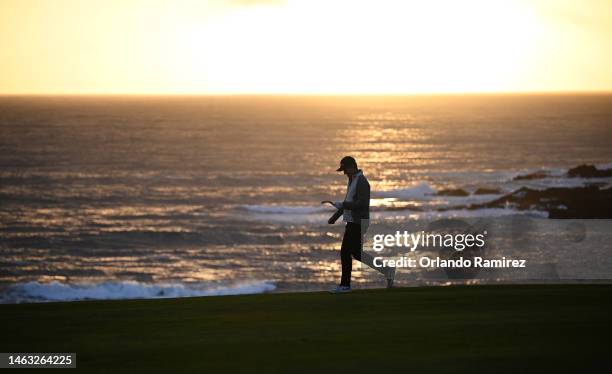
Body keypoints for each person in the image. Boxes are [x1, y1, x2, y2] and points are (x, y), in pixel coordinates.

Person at [328, 156, 395, 293]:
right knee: (357, 254)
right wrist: (335, 217)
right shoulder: (352, 180)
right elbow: (348, 202)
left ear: (353, 166)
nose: (344, 173)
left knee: (345, 252)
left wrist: (344, 205)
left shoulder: (362, 182)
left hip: (359, 222)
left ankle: (345, 285)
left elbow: (362, 204)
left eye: (345, 169)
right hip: (353, 221)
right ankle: (388, 270)